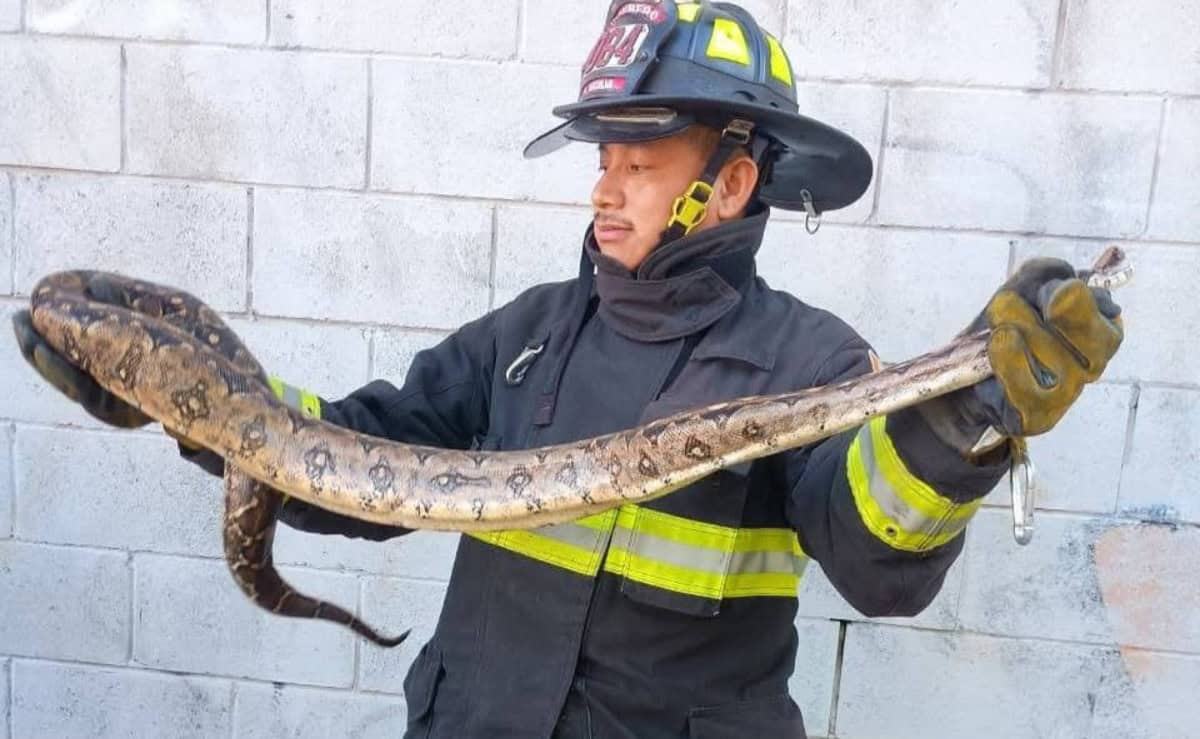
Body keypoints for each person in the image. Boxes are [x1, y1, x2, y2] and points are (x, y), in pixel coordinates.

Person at [13, 2, 1123, 737]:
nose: (605, 189)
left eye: (640, 163)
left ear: (729, 188)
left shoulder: (809, 362)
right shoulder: (530, 332)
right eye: (604, 160)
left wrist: (972, 415)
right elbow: (360, 450)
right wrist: (194, 411)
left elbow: (884, 560)